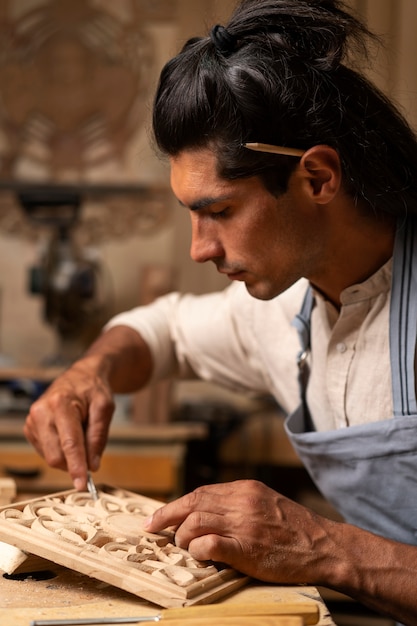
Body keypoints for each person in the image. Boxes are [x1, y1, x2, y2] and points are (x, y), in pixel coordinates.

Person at [24, 1, 417, 623]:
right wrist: (91, 371)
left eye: (220, 212)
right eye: (190, 214)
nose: (199, 249)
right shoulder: (284, 304)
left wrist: (326, 548)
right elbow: (165, 331)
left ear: (317, 178)